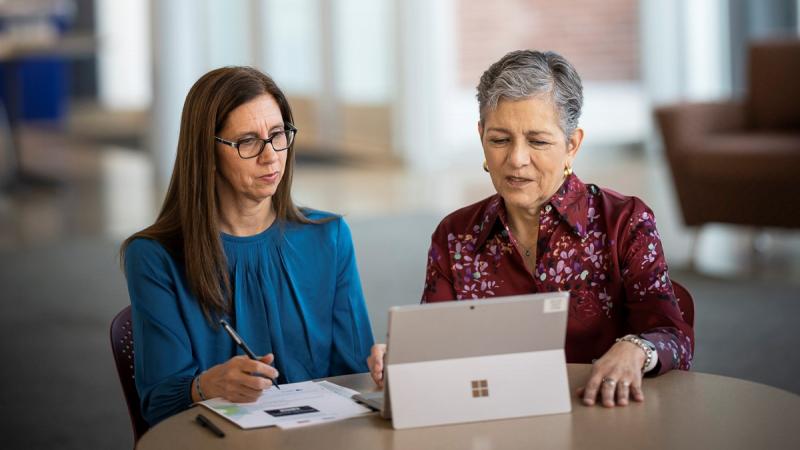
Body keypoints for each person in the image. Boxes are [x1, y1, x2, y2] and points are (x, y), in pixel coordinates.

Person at [368, 50, 693, 408]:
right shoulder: (455, 235)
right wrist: (404, 357)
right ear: (481, 138)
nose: (516, 159)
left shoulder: (626, 223)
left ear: (572, 145)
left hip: (603, 418)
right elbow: (438, 345)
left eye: (538, 141)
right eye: (499, 140)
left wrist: (636, 348)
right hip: (492, 419)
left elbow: (673, 336)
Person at [121, 67, 374, 425]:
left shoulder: (329, 236)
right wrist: (204, 386)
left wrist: (379, 369)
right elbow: (158, 405)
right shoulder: (154, 257)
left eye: (277, 134)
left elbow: (356, 377)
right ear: (207, 152)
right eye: (247, 141)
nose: (270, 156)